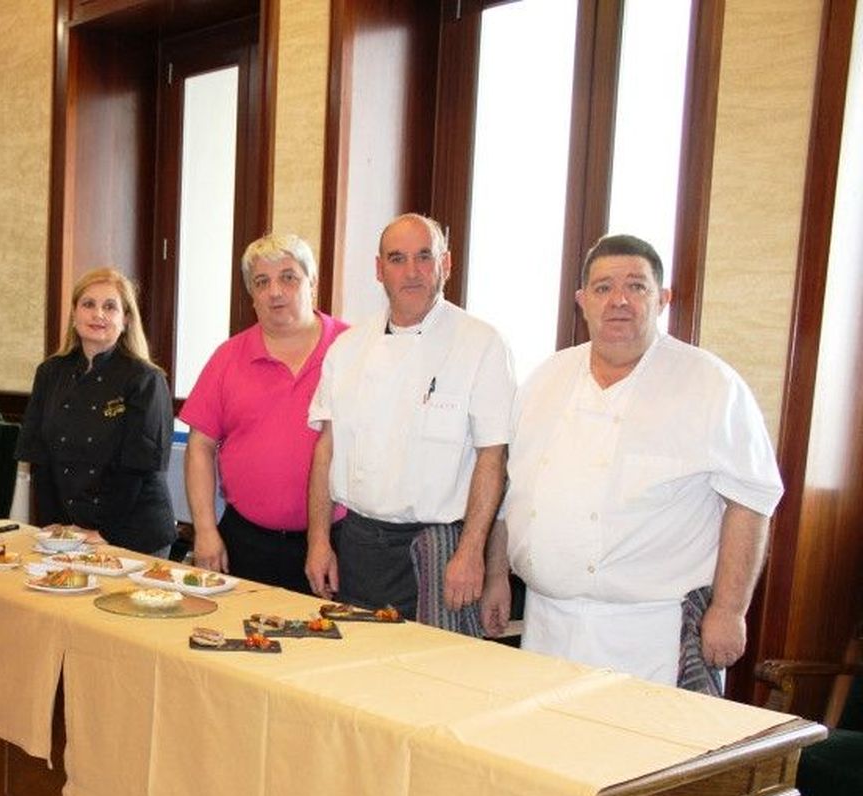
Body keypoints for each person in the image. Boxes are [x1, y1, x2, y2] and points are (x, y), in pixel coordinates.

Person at [482, 234, 782, 692]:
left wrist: (729, 609)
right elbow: (513, 492)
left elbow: (752, 500)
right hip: (547, 624)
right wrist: (497, 574)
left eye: (636, 287)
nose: (618, 300)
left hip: (653, 634)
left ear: (662, 299)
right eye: (603, 288)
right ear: (582, 301)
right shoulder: (545, 379)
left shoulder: (711, 385)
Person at [304, 213, 514, 630]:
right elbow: (326, 450)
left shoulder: (481, 344)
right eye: (397, 259)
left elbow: (493, 458)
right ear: (379, 269)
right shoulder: (347, 349)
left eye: (424, 256)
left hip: (441, 553)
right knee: (355, 679)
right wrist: (319, 540)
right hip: (359, 547)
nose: (412, 271)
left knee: (433, 685)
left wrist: (475, 555)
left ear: (446, 264)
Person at [181, 233, 350, 593]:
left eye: (288, 277)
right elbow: (199, 447)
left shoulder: (352, 349)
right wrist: (206, 531)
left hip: (338, 542)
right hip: (247, 545)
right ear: (252, 296)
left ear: (312, 283)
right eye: (262, 282)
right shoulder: (228, 357)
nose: (275, 291)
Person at [16, 267, 176, 555]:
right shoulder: (50, 373)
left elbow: (137, 468)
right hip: (72, 530)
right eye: (88, 304)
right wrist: (53, 524)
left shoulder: (145, 379)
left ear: (126, 319)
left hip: (133, 533)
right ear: (74, 314)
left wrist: (103, 531)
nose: (98, 314)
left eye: (110, 307)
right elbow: (41, 459)